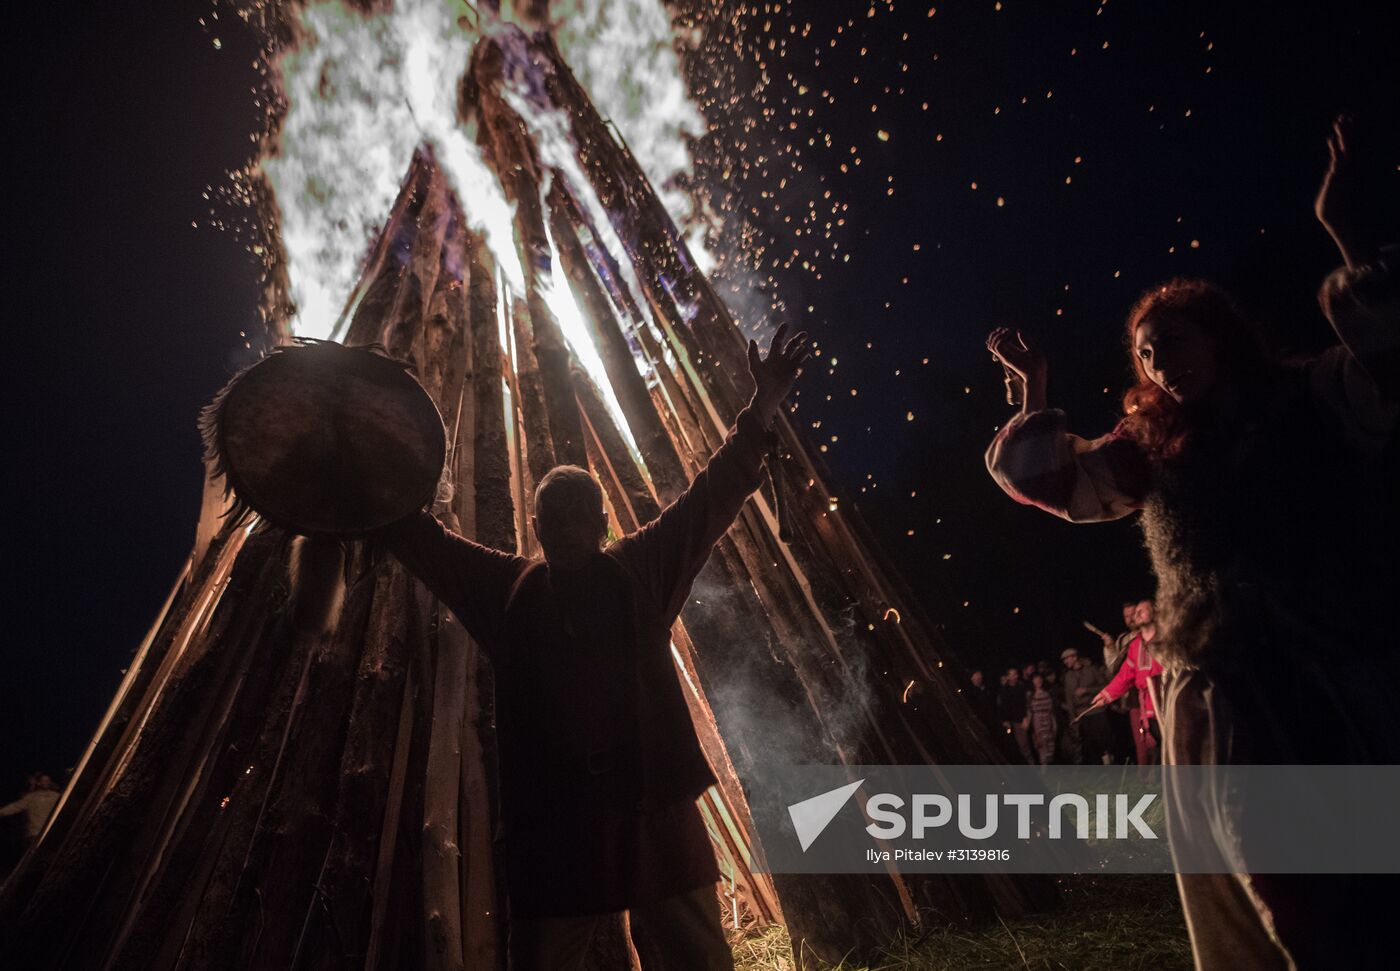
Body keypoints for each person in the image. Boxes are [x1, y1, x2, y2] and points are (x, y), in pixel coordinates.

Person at [984, 117, 1398, 969]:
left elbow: (1392, 366)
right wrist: (1034, 386)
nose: (1159, 362)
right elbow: (1049, 482)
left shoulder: (1312, 393)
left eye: (1173, 340)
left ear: (1218, 334)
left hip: (1324, 680)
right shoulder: (1150, 449)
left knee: (1344, 900)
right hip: (1215, 700)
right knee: (1248, 903)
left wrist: (1349, 238)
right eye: (1144, 352)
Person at [375, 323, 810, 971]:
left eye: (581, 515)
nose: (568, 527)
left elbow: (709, 500)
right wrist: (364, 468)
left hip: (651, 803)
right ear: (537, 525)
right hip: (559, 825)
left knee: (697, 956)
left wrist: (761, 409)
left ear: (603, 523)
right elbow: (430, 547)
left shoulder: (641, 570)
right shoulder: (511, 592)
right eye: (555, 516)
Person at [1092, 600, 1164, 768]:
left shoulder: (1165, 639)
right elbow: (1124, 675)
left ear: (1154, 613)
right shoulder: (1135, 645)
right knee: (1152, 742)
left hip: (1166, 700)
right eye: (1134, 612)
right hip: (1147, 705)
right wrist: (1106, 695)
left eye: (1141, 611)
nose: (1136, 615)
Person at [1062, 648, 1111, 764]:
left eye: (1067, 659)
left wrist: (1087, 690)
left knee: (1103, 740)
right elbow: (1069, 698)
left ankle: (1109, 764)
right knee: (1089, 743)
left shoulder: (1091, 670)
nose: (1065, 662)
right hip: (1082, 713)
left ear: (1074, 657)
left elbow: (1105, 686)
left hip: (1096, 710)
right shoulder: (1068, 676)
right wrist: (1073, 717)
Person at [0, 773, 61, 852]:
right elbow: (14, 807)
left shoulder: (56, 796)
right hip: (35, 834)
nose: (46, 783)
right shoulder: (31, 798)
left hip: (52, 833)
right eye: (44, 781)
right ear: (38, 783)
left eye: (48, 781)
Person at [996, 666, 1033, 764]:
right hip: (1013, 721)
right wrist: (1005, 720)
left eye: (1015, 674)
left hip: (1022, 719)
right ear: (1007, 677)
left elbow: (1026, 704)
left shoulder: (1021, 687)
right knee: (1020, 746)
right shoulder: (1004, 690)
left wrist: (1026, 717)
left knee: (1026, 745)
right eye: (1011, 675)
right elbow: (1003, 706)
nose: (1014, 677)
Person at [1022, 673, 1058, 767]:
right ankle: (1044, 768)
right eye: (1035, 679)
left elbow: (1051, 711)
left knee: (1050, 744)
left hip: (1048, 719)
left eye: (1039, 679)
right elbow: (1029, 711)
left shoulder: (1047, 693)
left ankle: (1050, 767)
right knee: (1041, 744)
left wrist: (1054, 724)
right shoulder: (1030, 695)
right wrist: (1028, 723)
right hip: (1038, 721)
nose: (1038, 681)